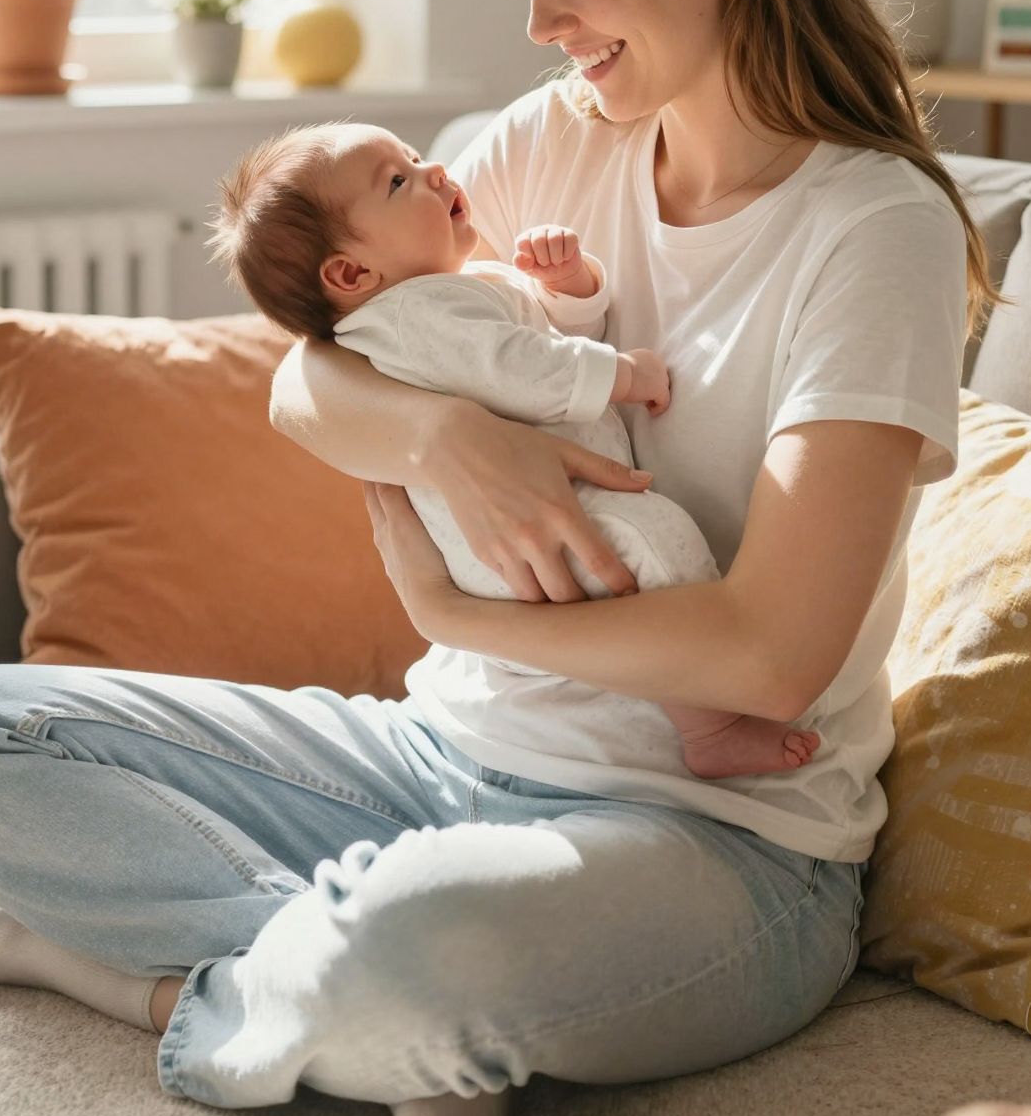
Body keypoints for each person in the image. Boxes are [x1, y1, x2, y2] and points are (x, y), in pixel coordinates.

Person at [0, 0, 1000, 1116]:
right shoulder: (556, 138)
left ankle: (169, 984)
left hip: (716, 838)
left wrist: (452, 614)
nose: (547, 22)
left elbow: (769, 656)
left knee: (421, 945)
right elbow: (311, 378)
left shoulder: (872, 231)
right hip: (444, 755)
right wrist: (451, 434)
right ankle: (360, 990)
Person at [204, 116, 823, 781]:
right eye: (398, 181)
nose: (435, 172)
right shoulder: (412, 315)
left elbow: (540, 331)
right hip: (521, 552)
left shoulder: (449, 291)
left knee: (650, 556)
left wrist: (568, 285)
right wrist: (624, 374)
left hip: (513, 568)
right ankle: (712, 724)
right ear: (352, 271)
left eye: (414, 155)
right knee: (660, 541)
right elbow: (520, 367)